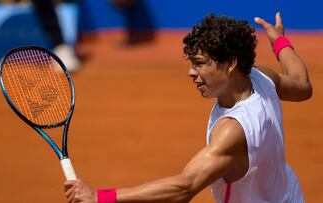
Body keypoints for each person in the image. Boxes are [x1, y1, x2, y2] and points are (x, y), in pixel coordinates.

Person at [64, 12, 312, 203]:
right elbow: (302, 86)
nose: (191, 73)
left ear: (230, 63)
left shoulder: (232, 131)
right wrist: (280, 42)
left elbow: (184, 187)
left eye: (200, 64)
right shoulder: (262, 77)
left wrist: (99, 196)